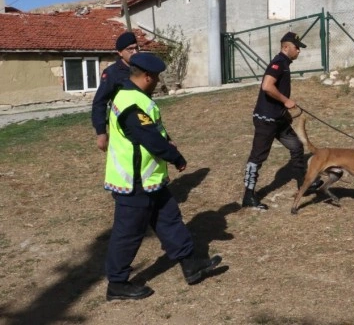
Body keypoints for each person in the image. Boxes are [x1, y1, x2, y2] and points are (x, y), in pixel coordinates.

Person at [104, 52, 221, 301]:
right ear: (147, 76)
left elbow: (154, 130)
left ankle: (191, 265)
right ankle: (117, 284)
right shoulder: (132, 104)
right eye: (156, 77)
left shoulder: (134, 97)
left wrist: (166, 139)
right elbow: (149, 138)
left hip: (152, 180)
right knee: (128, 234)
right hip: (134, 183)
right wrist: (176, 157)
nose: (158, 82)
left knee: (170, 220)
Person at [241, 31, 321, 209]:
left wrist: (284, 110)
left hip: (278, 119)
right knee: (258, 156)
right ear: (286, 47)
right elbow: (267, 86)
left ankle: (304, 183)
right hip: (266, 119)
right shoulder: (278, 63)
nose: (299, 51)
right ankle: (248, 195)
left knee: (296, 145)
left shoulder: (285, 63)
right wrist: (286, 100)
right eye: (296, 47)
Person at [92, 31, 139, 152]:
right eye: (130, 49)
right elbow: (99, 102)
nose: (135, 52)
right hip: (123, 124)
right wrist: (101, 132)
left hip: (143, 121)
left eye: (136, 48)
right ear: (120, 52)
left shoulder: (141, 68)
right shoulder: (112, 73)